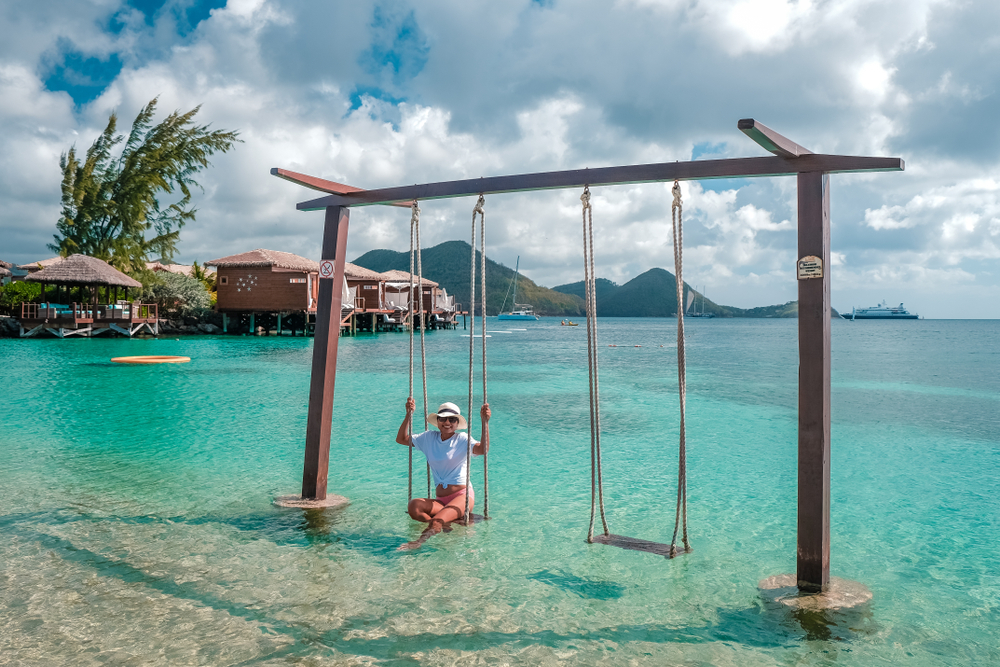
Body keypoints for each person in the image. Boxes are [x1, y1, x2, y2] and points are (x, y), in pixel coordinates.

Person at [395, 398, 490, 549]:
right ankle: (448, 521)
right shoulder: (428, 438)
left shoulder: (462, 439)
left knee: (437, 520)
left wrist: (485, 423)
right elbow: (401, 439)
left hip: (462, 497)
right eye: (443, 419)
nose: (447, 422)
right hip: (441, 499)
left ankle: (419, 542)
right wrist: (408, 415)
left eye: (452, 419)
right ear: (437, 421)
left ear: (457, 423)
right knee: (414, 506)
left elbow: (482, 450)